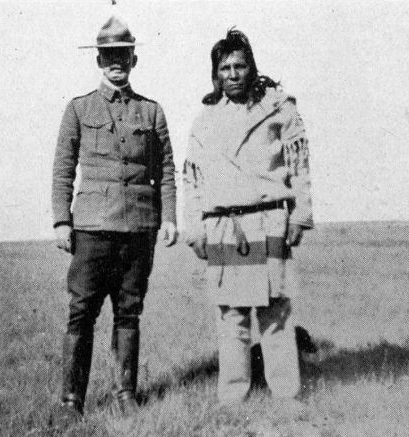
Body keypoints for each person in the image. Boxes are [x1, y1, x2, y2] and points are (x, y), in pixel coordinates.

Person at [51, 16, 177, 420]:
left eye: (123, 54)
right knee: (81, 312)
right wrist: (61, 220)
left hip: (139, 228)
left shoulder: (151, 112)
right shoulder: (78, 108)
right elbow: (63, 168)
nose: (116, 62)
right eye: (109, 55)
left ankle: (126, 394)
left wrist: (169, 218)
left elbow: (166, 170)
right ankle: (72, 401)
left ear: (134, 59)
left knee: (129, 311)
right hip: (92, 229)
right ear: (99, 60)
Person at [183, 29, 313, 405]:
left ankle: (287, 395)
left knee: (275, 312)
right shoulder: (205, 120)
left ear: (251, 68)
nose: (233, 74)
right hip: (224, 227)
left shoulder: (278, 109)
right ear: (216, 74)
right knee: (232, 315)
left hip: (269, 220)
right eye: (225, 68)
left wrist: (300, 215)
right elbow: (193, 179)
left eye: (240, 66)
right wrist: (195, 230)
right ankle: (232, 398)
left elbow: (299, 166)